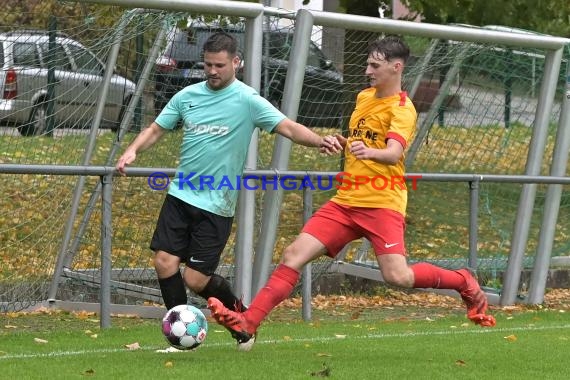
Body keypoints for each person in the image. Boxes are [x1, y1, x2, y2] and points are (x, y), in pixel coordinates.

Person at [207, 35, 497, 349]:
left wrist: (370, 152)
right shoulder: (363, 98)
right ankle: (248, 322)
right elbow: (361, 142)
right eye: (367, 63)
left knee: (397, 276)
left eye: (375, 65)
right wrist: (342, 143)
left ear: (396, 67)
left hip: (382, 202)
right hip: (346, 201)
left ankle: (463, 280)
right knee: (293, 255)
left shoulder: (403, 108)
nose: (367, 70)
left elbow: (393, 152)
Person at [115, 32, 342, 351]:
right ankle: (180, 339)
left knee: (195, 280)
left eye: (219, 65)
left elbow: (288, 127)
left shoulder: (248, 100)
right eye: (207, 64)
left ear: (236, 62)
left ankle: (242, 319)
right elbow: (156, 128)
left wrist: (321, 140)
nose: (212, 71)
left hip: (216, 203)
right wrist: (132, 151)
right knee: (164, 262)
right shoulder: (188, 96)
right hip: (180, 195)